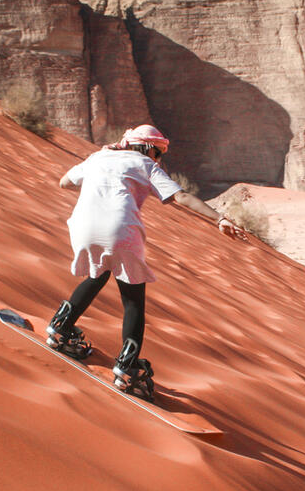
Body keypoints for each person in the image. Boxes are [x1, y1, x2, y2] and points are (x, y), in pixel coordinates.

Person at [46, 124, 246, 391]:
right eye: (159, 153)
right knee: (133, 300)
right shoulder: (146, 165)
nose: (159, 159)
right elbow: (181, 196)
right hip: (121, 230)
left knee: (98, 273)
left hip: (82, 227)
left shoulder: (98, 157)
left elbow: (64, 183)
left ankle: (60, 327)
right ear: (149, 149)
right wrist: (219, 219)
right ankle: (128, 367)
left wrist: (101, 180)